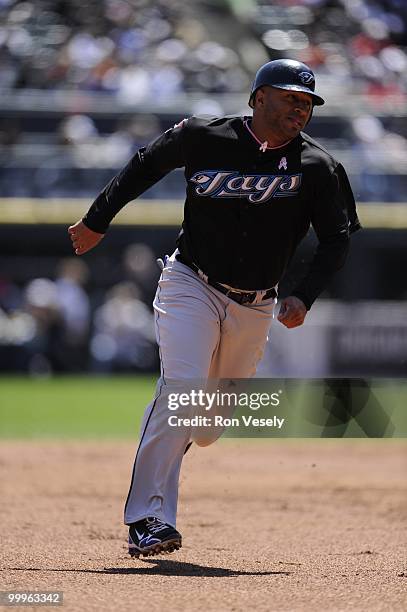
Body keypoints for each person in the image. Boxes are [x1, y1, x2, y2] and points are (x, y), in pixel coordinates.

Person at [68, 59, 361, 558]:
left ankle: (173, 462)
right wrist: (98, 219)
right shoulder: (204, 137)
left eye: (308, 101)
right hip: (191, 282)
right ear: (258, 98)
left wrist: (304, 295)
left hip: (256, 305)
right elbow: (144, 164)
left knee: (205, 428)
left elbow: (337, 241)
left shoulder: (318, 168)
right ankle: (148, 518)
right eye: (290, 97)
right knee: (180, 391)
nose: (300, 108)